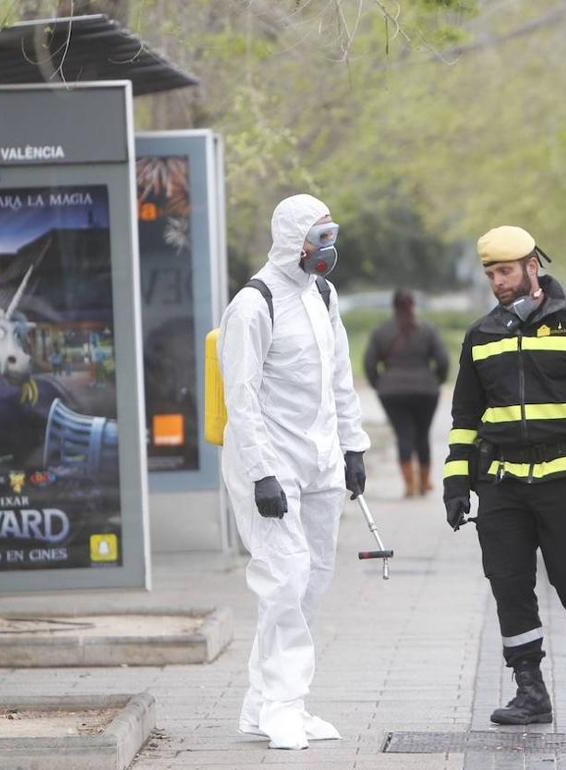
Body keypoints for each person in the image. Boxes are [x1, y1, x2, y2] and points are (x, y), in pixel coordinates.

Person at [442, 225, 566, 726]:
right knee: (509, 585)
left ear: (532, 267)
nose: (497, 282)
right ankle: (530, 690)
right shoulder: (481, 336)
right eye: (490, 274)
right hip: (502, 486)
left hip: (565, 484)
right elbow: (465, 420)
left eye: (505, 271)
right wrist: (456, 484)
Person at [218, 193, 369, 751]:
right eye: (319, 238)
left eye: (332, 235)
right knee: (284, 579)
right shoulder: (254, 305)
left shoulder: (323, 295)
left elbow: (340, 376)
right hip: (272, 463)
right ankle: (284, 704)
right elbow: (242, 396)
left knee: (311, 579)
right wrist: (261, 472)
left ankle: (266, 703)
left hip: (322, 459)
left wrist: (353, 446)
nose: (327, 250)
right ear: (292, 240)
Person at [364, 289, 449, 497]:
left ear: (393, 307)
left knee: (403, 433)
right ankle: (425, 482)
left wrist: (381, 383)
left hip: (391, 392)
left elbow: (369, 363)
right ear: (413, 306)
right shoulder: (428, 330)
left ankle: (409, 485)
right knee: (422, 434)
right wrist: (435, 381)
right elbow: (443, 361)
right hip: (426, 390)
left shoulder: (381, 331)